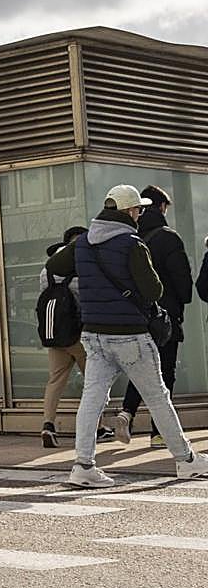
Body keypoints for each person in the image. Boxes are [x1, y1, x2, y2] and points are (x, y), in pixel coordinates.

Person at [46, 185, 208, 487]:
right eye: (137, 209)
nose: (139, 214)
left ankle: (83, 464)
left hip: (94, 335)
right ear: (127, 212)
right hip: (130, 335)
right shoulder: (131, 243)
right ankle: (186, 460)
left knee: (92, 399)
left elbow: (55, 265)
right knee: (158, 397)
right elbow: (153, 290)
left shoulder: (83, 243)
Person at [113, 185, 192, 448]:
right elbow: (183, 282)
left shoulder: (131, 238)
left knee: (142, 369)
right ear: (161, 207)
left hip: (137, 315)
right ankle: (158, 432)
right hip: (164, 316)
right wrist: (180, 301)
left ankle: (128, 412)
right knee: (164, 372)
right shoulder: (168, 238)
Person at [39, 226, 88, 448]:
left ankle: (48, 425)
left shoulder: (46, 270)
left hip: (55, 334)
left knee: (55, 380)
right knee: (94, 382)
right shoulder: (81, 267)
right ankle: (94, 428)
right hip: (79, 335)